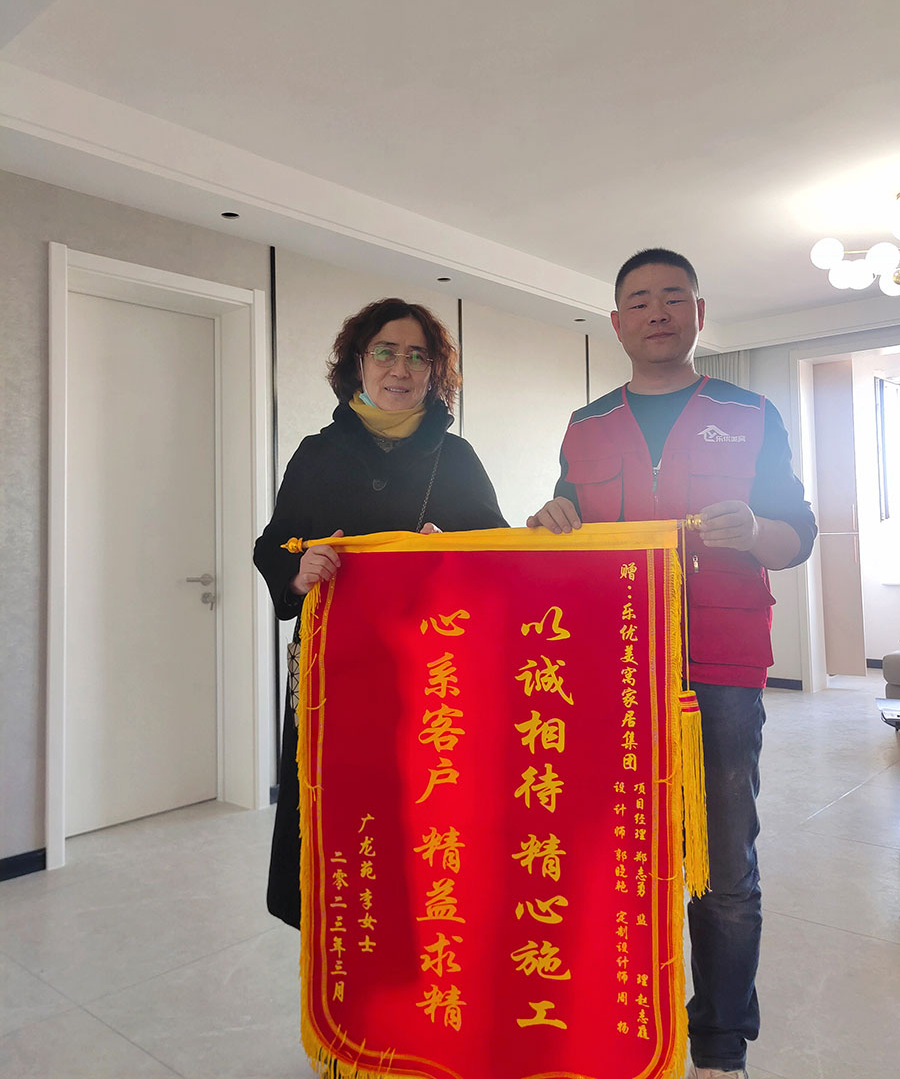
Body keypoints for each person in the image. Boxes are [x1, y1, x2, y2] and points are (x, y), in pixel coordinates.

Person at [527, 248, 816, 1079]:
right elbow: (564, 533)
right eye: (639, 300)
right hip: (610, 669)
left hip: (720, 667)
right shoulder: (586, 425)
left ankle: (720, 1046)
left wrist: (753, 532)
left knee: (723, 865)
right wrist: (551, 521)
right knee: (608, 857)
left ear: (698, 313)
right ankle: (612, 1022)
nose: (656, 311)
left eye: (673, 297)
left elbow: (797, 534)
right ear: (616, 323)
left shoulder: (750, 412)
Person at [254, 297, 507, 929]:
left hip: (432, 673)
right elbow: (273, 543)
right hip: (334, 671)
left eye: (418, 356)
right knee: (334, 816)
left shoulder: (456, 458)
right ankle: (338, 946)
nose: (401, 369)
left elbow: (498, 557)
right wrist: (299, 568)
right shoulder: (318, 453)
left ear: (434, 371)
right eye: (385, 353)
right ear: (358, 364)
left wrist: (449, 554)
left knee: (426, 815)